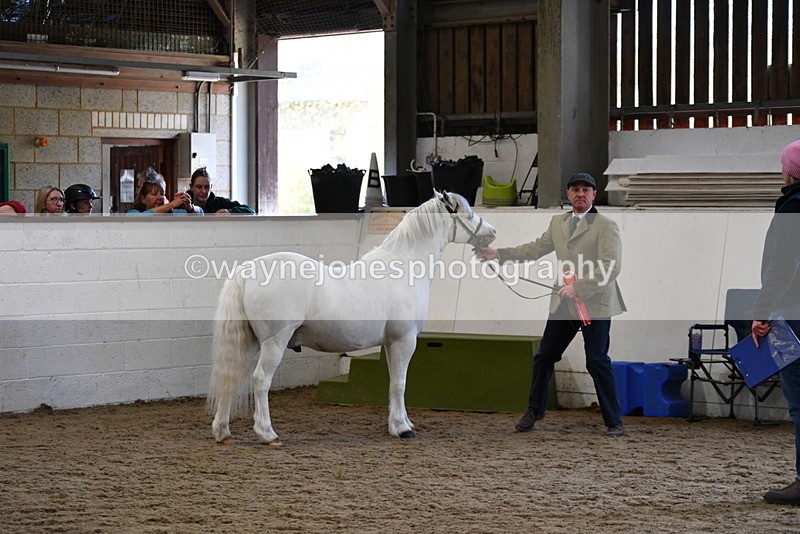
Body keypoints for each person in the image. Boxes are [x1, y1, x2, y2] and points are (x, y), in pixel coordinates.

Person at [475, 172, 627, 437]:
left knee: (597, 361)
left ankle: (614, 421)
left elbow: (610, 267)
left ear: (594, 194)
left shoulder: (606, 226)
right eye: (575, 189)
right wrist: (500, 254)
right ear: (568, 194)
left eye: (586, 190)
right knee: (544, 356)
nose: (580, 194)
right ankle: (534, 411)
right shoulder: (558, 223)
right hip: (564, 304)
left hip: (595, 304)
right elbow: (535, 248)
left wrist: (577, 287)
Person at [752, 140, 800, 506]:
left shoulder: (791, 207)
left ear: (789, 171)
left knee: (799, 403)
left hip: (793, 318)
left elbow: (781, 269)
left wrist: (763, 310)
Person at [187, 167, 255, 215]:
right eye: (199, 187)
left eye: (207, 187)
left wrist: (230, 212)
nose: (203, 191)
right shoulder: (183, 202)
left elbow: (250, 210)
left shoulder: (219, 202)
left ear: (211, 187)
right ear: (191, 187)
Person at [127, 181, 203, 215]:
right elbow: (138, 218)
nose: (160, 197)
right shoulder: (133, 213)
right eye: (154, 194)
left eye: (162, 194)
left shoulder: (173, 214)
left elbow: (200, 213)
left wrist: (190, 207)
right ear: (143, 199)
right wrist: (172, 204)